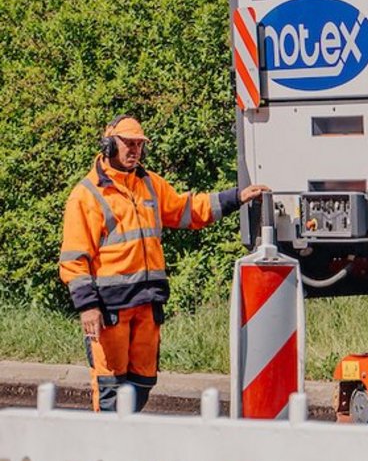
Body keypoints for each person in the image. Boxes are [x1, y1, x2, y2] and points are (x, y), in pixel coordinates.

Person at [59, 114, 268, 412]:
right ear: (109, 145)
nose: (134, 151)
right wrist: (87, 307)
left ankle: (124, 438)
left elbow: (187, 209)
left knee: (143, 382)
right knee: (110, 387)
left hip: (147, 305)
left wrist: (236, 197)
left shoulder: (149, 184)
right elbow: (74, 259)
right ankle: (108, 451)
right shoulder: (86, 195)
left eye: (139, 145)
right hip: (109, 310)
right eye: (127, 144)